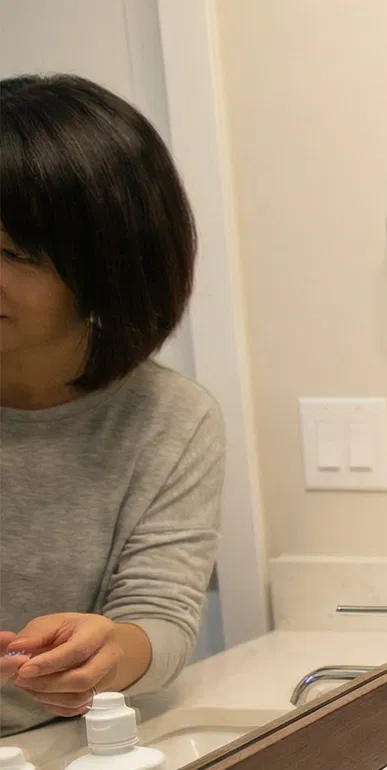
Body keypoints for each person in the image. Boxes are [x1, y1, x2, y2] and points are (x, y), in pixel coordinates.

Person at [0, 74, 221, 736]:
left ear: (108, 265)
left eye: (13, 253)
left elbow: (159, 618)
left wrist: (104, 654)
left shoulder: (169, 419)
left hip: (47, 760)